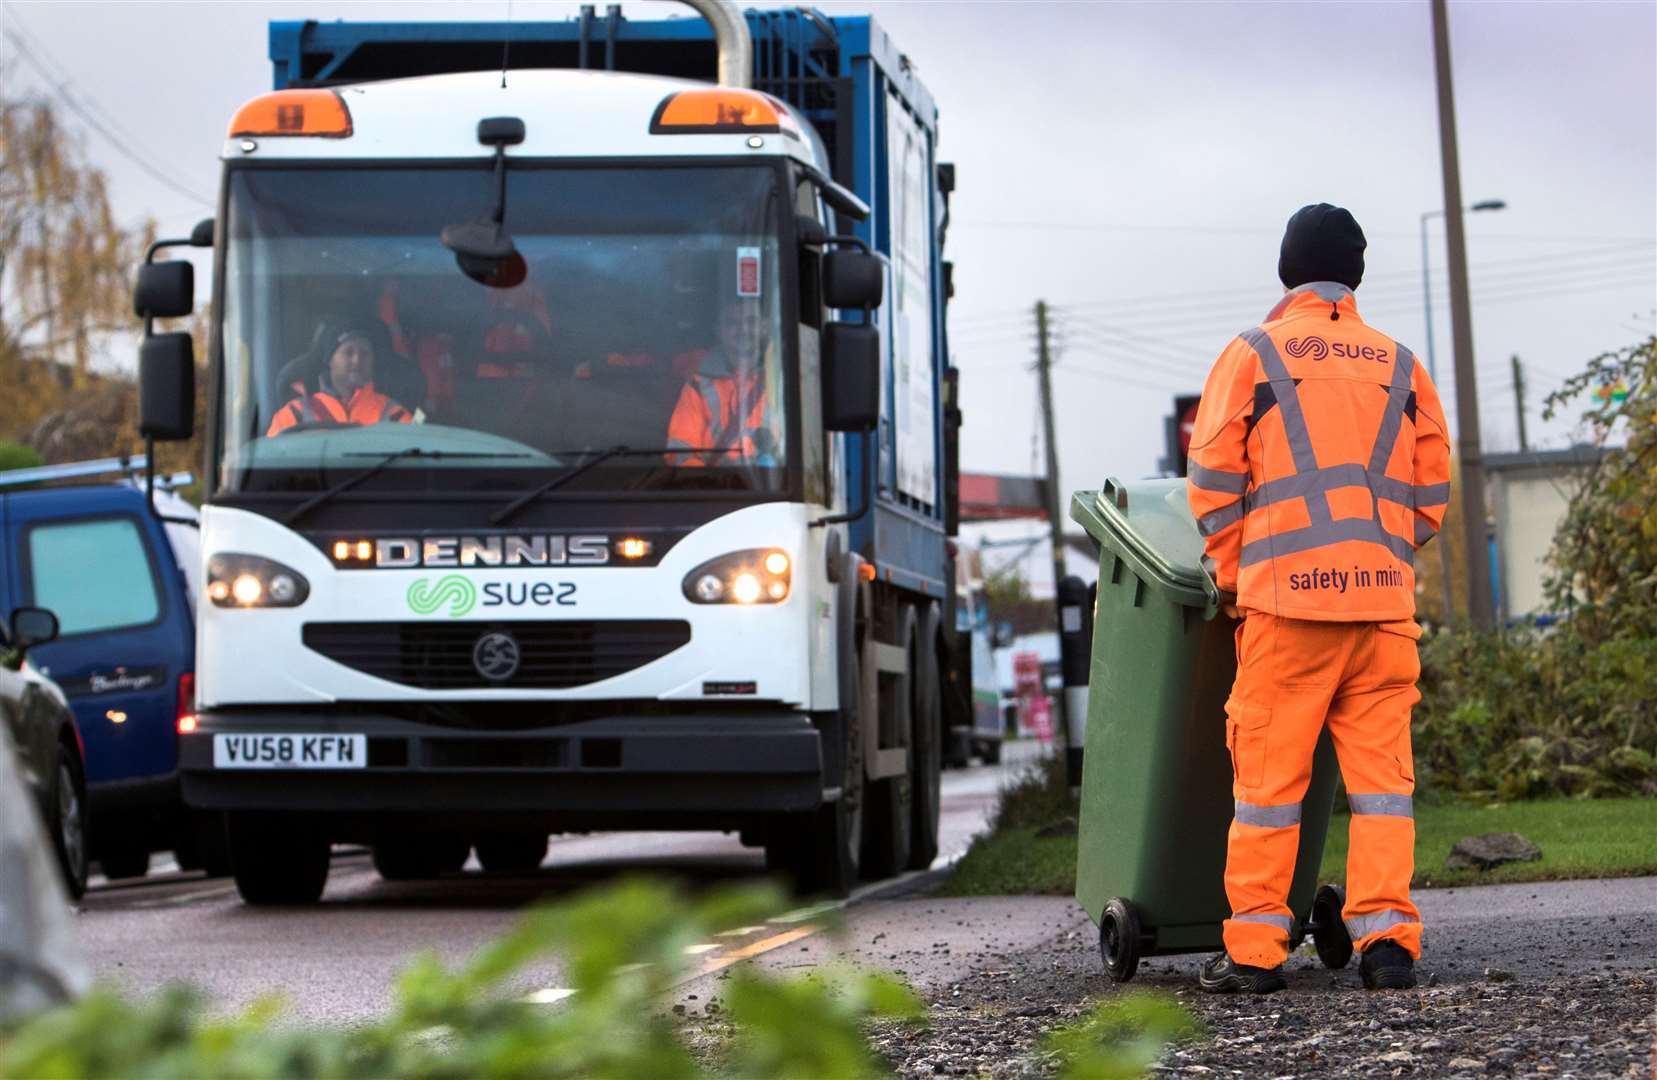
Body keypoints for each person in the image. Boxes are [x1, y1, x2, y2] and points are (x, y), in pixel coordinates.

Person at [1185, 203, 1451, 995]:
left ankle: (1256, 955)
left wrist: (1238, 571)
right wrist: (1379, 554)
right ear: (1357, 274)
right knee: (1381, 791)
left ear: (1284, 270)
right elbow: (1431, 490)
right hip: (1380, 614)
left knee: (1268, 790)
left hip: (1286, 613)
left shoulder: (1253, 353)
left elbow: (1210, 476)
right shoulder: (1401, 364)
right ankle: (1387, 948)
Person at [665, 298, 779, 466]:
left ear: (764, 327)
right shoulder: (698, 386)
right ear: (718, 330)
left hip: (777, 489)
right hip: (716, 488)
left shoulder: (784, 380)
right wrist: (707, 485)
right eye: (733, 323)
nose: (743, 330)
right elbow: (681, 453)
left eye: (751, 321)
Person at [266, 324, 416, 436]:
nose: (357, 360)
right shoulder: (295, 414)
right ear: (330, 360)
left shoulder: (394, 414)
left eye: (365, 353)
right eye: (348, 352)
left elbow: (416, 463)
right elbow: (271, 466)